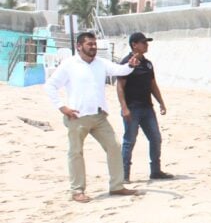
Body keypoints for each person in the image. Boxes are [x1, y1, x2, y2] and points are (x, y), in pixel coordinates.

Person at [44, 31, 140, 202]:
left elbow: (119, 70)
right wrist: (62, 107)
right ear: (79, 46)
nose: (93, 47)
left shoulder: (101, 63)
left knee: (114, 146)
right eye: (89, 44)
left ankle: (117, 186)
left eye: (94, 44)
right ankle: (77, 190)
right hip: (77, 117)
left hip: (99, 116)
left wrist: (130, 66)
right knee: (76, 153)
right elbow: (51, 86)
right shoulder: (69, 65)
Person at [117, 32, 173, 182]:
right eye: (143, 42)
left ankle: (155, 170)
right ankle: (124, 174)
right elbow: (120, 87)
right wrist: (124, 108)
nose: (146, 45)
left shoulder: (148, 64)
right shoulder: (126, 63)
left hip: (147, 108)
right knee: (130, 140)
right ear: (134, 44)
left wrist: (161, 102)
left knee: (156, 138)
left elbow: (152, 84)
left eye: (146, 42)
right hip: (132, 108)